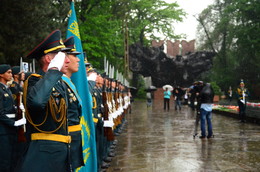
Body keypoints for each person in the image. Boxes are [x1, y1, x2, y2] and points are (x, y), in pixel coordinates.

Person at [19, 30, 72, 172]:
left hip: (60, 154)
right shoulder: (34, 81)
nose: (68, 60)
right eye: (63, 56)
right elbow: (37, 102)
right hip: (43, 157)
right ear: (49, 59)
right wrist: (54, 70)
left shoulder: (59, 83)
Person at [63, 36, 84, 170]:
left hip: (74, 135)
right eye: (74, 55)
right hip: (67, 137)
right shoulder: (62, 83)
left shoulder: (70, 83)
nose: (78, 59)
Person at [0, 64, 26, 172]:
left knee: (13, 159)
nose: (11, 74)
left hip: (11, 130)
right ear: (1, 74)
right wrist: (14, 123)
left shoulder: (7, 89)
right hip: (3, 130)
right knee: (4, 161)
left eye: (11, 72)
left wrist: (18, 108)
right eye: (8, 72)